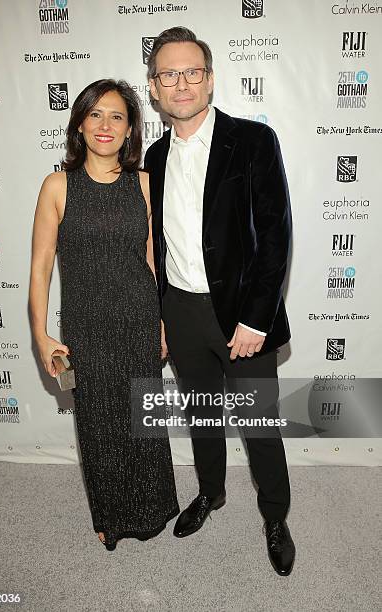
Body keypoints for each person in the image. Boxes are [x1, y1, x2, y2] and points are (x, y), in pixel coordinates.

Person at [144, 27, 295, 575]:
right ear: (154, 88)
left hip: (242, 315)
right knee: (202, 415)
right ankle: (211, 492)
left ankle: (275, 516)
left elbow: (274, 236)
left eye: (192, 72)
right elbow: (156, 243)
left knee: (259, 425)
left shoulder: (253, 140)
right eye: (168, 74)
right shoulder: (154, 157)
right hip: (181, 311)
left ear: (209, 79)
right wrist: (161, 313)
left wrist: (258, 317)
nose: (181, 83)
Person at [29, 79, 179, 551]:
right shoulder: (57, 185)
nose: (105, 125)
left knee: (142, 419)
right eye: (95, 114)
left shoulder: (145, 184)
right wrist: (41, 336)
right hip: (85, 327)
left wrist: (161, 322)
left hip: (138, 318)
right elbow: (40, 267)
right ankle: (110, 517)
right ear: (79, 123)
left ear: (131, 127)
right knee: (97, 425)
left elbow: (155, 261)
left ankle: (154, 507)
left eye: (117, 116)